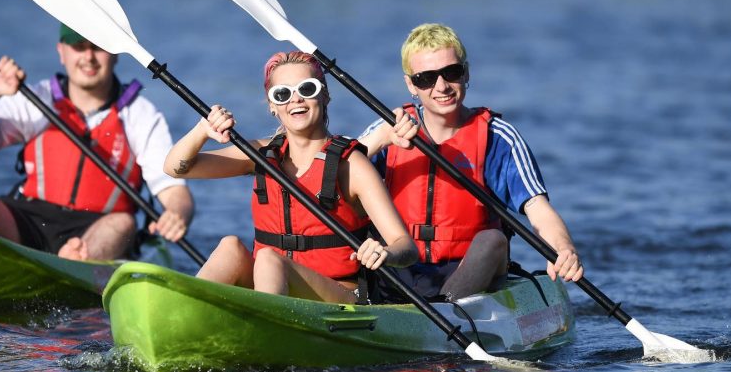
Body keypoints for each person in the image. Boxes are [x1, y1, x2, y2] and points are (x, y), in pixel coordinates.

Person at [164, 50, 417, 303]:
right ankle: (184, 314)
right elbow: (175, 168)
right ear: (273, 106)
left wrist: (385, 252)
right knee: (231, 246)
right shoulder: (261, 155)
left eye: (307, 89)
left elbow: (405, 246)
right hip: (274, 287)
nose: (296, 100)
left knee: (269, 259)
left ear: (325, 95)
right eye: (282, 94)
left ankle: (263, 330)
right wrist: (201, 131)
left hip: (341, 297)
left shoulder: (352, 165)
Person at [359, 23, 584, 303]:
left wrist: (563, 249)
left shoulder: (497, 137)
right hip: (399, 268)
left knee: (493, 240)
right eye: (426, 78)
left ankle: (446, 310)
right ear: (411, 85)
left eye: (451, 73)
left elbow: (538, 209)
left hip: (470, 272)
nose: (441, 86)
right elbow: (330, 176)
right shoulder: (388, 129)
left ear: (466, 73)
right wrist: (380, 139)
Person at [0, 24, 194, 261]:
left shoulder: (139, 114)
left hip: (98, 227)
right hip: (29, 219)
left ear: (116, 53)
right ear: (61, 52)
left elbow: (174, 190)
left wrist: (177, 214)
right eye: (78, 46)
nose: (88, 57)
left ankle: (74, 263)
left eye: (98, 46)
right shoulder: (38, 98)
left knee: (123, 223)